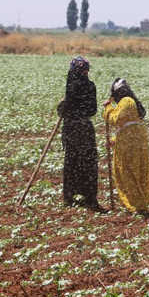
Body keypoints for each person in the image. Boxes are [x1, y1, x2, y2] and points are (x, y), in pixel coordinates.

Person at [57, 56, 100, 209]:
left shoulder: (71, 85)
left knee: (72, 161)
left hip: (73, 129)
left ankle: (70, 195)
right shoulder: (91, 86)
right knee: (88, 161)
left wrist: (62, 106)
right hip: (86, 128)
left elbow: (67, 110)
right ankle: (89, 196)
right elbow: (92, 110)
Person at [102, 78, 149, 213]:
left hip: (130, 141)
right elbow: (127, 125)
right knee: (137, 170)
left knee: (127, 171)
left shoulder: (126, 101)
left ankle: (135, 205)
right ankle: (140, 203)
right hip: (135, 138)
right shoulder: (131, 102)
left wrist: (108, 108)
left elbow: (117, 119)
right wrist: (115, 139)